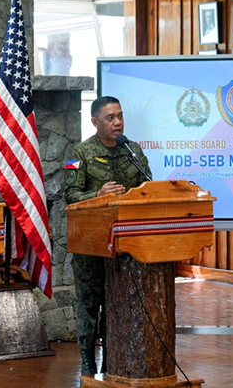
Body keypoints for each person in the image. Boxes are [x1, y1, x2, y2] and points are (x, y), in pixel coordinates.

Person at [63, 96, 152, 377]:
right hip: (91, 246)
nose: (118, 122)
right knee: (90, 305)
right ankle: (88, 362)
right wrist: (97, 195)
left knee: (116, 305)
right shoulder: (78, 153)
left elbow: (148, 187)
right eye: (110, 118)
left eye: (120, 116)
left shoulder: (132, 150)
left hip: (125, 246)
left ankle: (111, 360)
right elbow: (69, 195)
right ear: (95, 122)